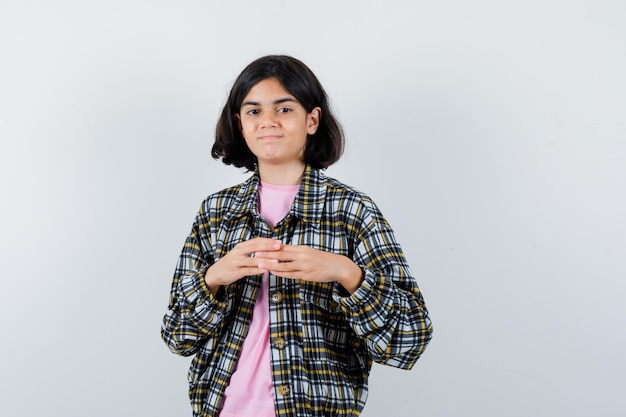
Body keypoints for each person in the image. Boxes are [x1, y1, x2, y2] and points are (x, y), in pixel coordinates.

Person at [161, 55, 433, 417]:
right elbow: (178, 337)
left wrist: (346, 273)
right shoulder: (215, 212)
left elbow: (408, 341)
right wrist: (214, 278)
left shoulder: (351, 211)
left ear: (312, 119)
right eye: (253, 111)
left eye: (284, 109)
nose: (268, 122)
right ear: (239, 124)